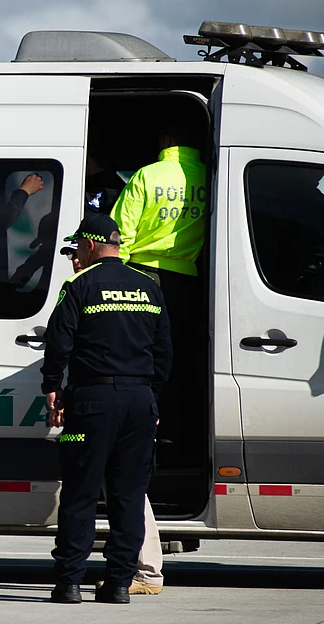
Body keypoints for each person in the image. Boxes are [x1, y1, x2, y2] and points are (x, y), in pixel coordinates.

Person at [42, 212, 172, 604]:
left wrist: (52, 388)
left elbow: (59, 342)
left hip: (94, 402)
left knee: (81, 494)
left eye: (78, 244)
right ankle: (117, 584)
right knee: (128, 496)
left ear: (89, 244)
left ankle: (68, 583)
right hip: (139, 402)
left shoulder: (79, 284)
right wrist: (153, 396)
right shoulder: (148, 286)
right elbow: (164, 351)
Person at [109, 115, 207, 451]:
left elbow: (119, 233)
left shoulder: (147, 175)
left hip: (140, 276)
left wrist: (113, 278)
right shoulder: (211, 177)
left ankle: (140, 435)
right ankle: (176, 434)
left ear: (166, 138)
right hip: (187, 283)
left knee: (138, 360)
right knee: (179, 359)